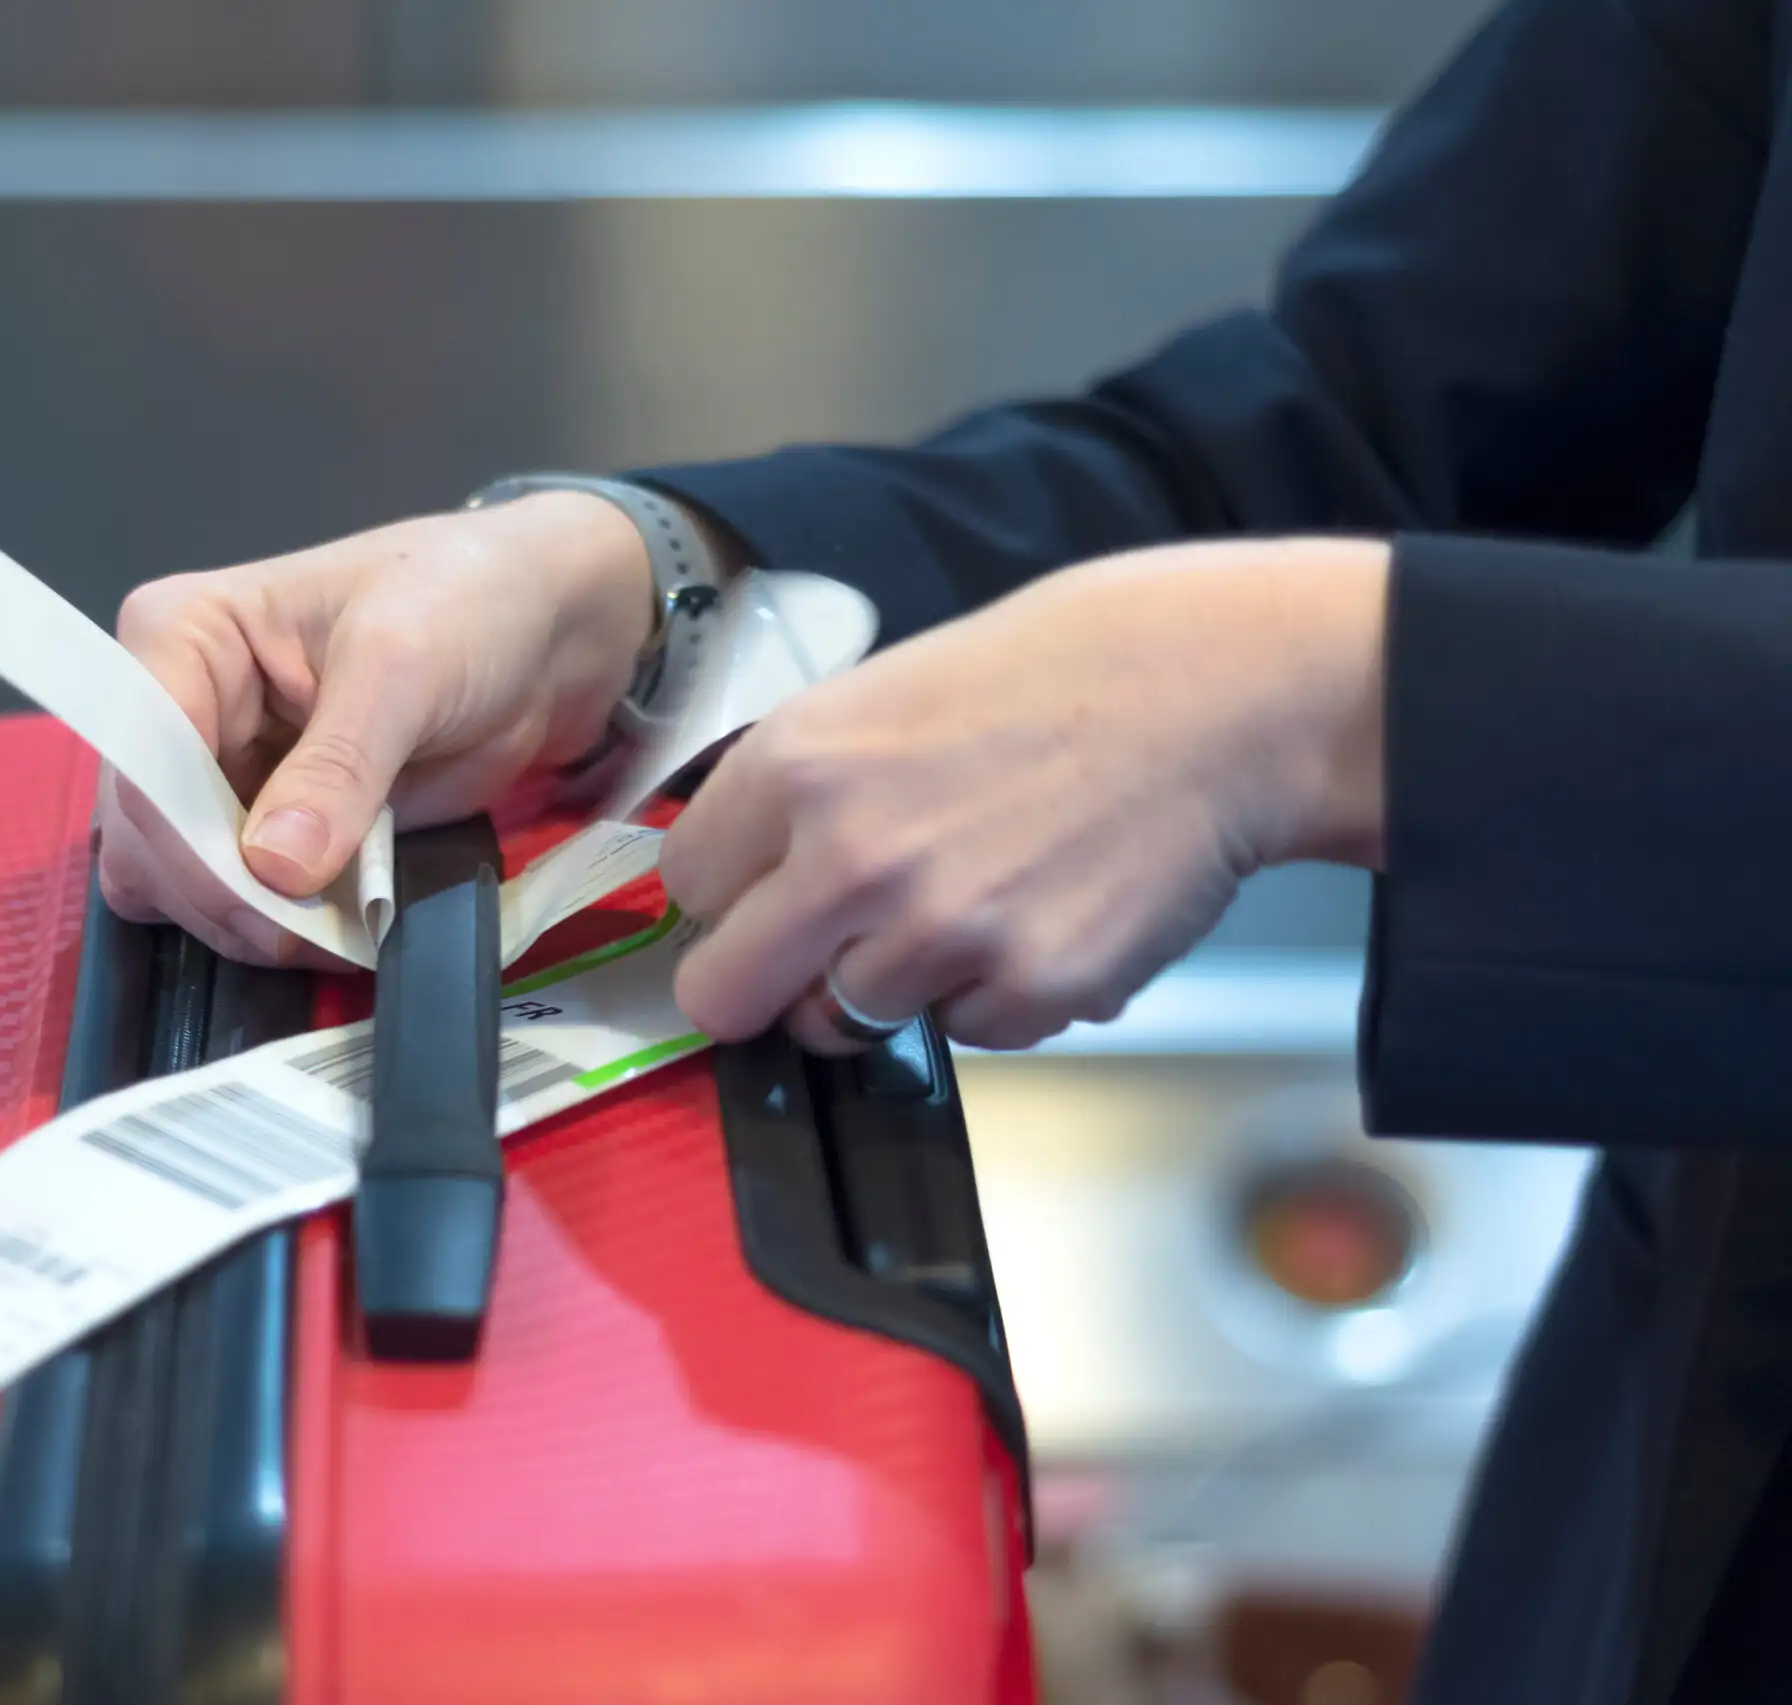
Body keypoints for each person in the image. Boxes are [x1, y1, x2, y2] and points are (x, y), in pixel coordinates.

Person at [99, 0, 1792, 1697]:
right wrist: (650, 589)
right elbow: (1365, 418)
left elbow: (1318, 627)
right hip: (1657, 1470)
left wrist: (1346, 701)